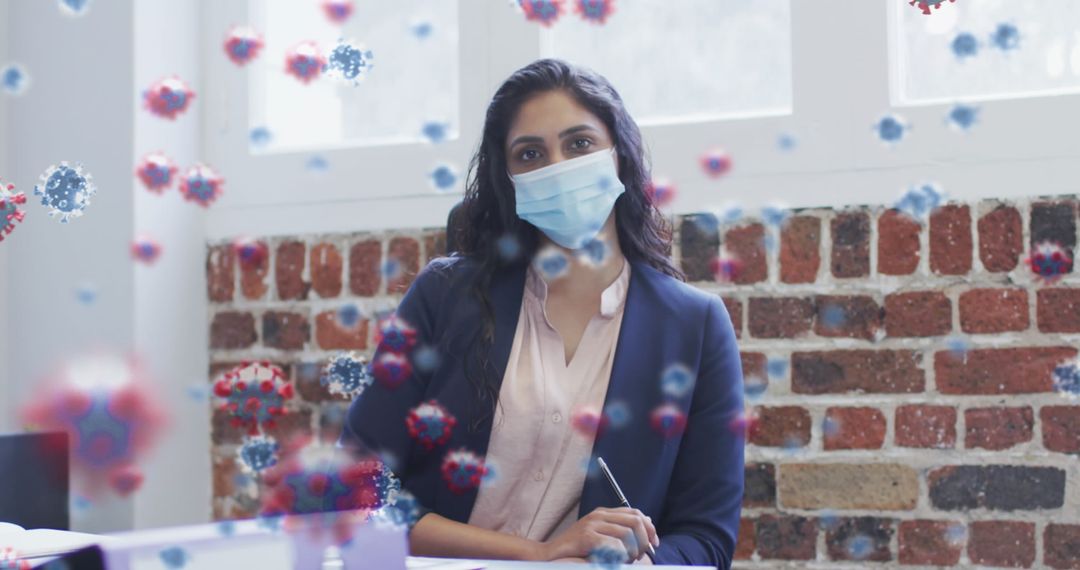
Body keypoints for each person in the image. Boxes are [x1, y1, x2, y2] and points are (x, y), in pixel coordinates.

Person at [342, 58, 745, 568]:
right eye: (530, 154)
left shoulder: (695, 326)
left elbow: (707, 538)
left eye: (579, 144)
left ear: (618, 155)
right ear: (508, 178)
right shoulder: (444, 295)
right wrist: (540, 555)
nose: (557, 167)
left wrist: (629, 563)